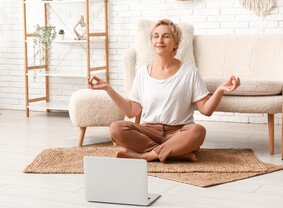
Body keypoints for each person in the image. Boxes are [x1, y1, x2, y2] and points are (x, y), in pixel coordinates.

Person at [88, 19, 240, 163]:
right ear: (152, 42)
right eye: (156, 36)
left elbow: (205, 110)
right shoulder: (142, 73)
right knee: (116, 128)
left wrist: (220, 90)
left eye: (166, 36)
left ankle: (147, 156)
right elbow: (131, 111)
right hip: (148, 132)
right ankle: (175, 154)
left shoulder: (190, 72)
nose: (159, 40)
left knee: (198, 131)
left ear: (176, 44)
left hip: (179, 132)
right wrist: (108, 89)